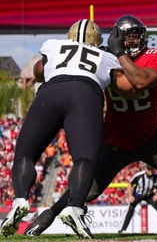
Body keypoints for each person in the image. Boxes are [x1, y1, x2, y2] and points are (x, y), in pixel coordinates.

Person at [23, 15, 157, 237]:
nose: (130, 42)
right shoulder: (103, 58)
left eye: (135, 37)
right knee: (86, 190)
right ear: (116, 38)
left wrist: (118, 54)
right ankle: (48, 216)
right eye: (125, 38)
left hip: (150, 138)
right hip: (114, 142)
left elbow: (141, 81)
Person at [0, 19, 121, 238]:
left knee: (25, 154)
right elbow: (123, 87)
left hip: (50, 92)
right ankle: (74, 207)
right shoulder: (107, 57)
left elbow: (39, 70)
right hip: (84, 94)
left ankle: (20, 198)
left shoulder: (53, 45)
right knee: (84, 159)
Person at [119, 165, 157, 233]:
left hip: (150, 195)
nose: (150, 171)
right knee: (130, 209)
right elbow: (130, 184)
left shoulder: (156, 177)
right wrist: (130, 195)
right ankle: (122, 229)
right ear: (145, 169)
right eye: (149, 169)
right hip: (138, 195)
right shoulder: (139, 175)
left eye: (152, 170)